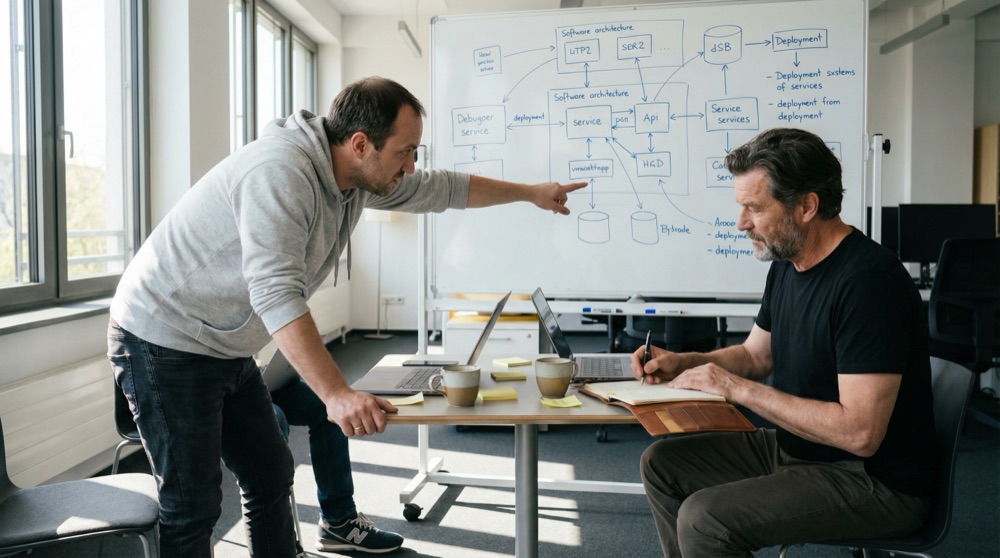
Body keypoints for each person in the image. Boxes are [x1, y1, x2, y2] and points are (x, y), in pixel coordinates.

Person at [107, 75, 586, 558]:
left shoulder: (354, 178)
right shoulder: (281, 173)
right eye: (405, 151)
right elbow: (276, 293)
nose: (411, 165)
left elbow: (442, 189)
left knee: (269, 473)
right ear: (361, 144)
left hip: (223, 342)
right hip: (163, 337)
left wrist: (530, 192)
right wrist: (335, 394)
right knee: (193, 502)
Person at [631, 127, 935, 557]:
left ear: (807, 205)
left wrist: (735, 388)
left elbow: (860, 433)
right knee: (662, 465)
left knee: (706, 519)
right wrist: (684, 362)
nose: (741, 223)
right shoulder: (788, 265)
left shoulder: (869, 283)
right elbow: (756, 356)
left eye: (753, 208)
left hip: (870, 479)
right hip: (800, 450)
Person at [269, 378, 402, 553]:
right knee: (272, 420)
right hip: (229, 390)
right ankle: (282, 547)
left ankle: (338, 521)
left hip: (261, 381)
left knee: (329, 407)